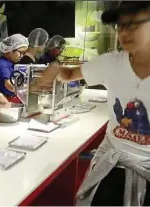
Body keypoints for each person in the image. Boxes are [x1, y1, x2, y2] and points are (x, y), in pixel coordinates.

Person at [56, 2, 150, 205]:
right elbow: (70, 74)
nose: (124, 32)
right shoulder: (110, 63)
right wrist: (53, 69)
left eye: (134, 24)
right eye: (120, 25)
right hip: (112, 163)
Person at [0, 34, 29, 103]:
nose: (22, 56)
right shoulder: (2, 65)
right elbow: (10, 85)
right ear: (9, 50)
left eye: (24, 53)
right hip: (4, 101)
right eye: (20, 52)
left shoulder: (11, 64)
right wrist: (29, 88)